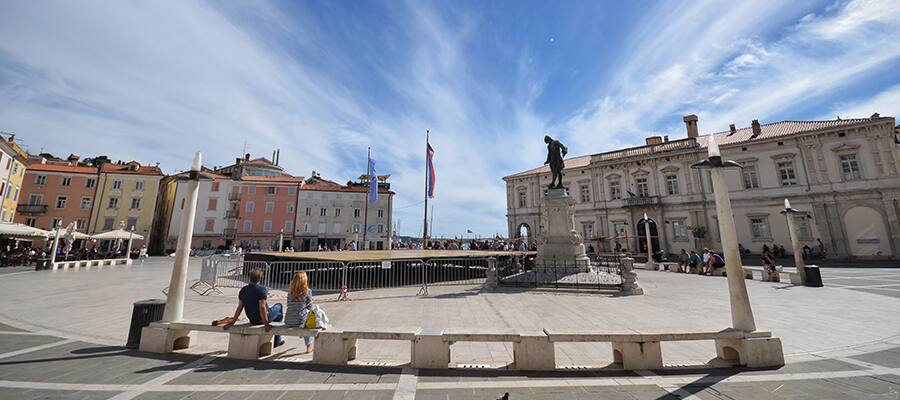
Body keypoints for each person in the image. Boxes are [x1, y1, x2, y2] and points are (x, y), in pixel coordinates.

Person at [224, 268, 284, 347]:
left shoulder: (243, 290)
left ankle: (277, 338)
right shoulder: (262, 289)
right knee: (279, 306)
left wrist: (232, 322)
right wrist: (266, 324)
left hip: (252, 319)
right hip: (262, 319)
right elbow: (262, 307)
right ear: (260, 278)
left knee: (278, 316)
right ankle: (277, 340)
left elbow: (240, 308)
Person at [285, 272, 315, 353]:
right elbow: (310, 307)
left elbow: (288, 304)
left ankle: (303, 334)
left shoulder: (290, 291)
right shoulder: (308, 291)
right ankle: (309, 345)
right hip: (300, 320)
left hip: (289, 320)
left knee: (302, 317)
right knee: (306, 319)